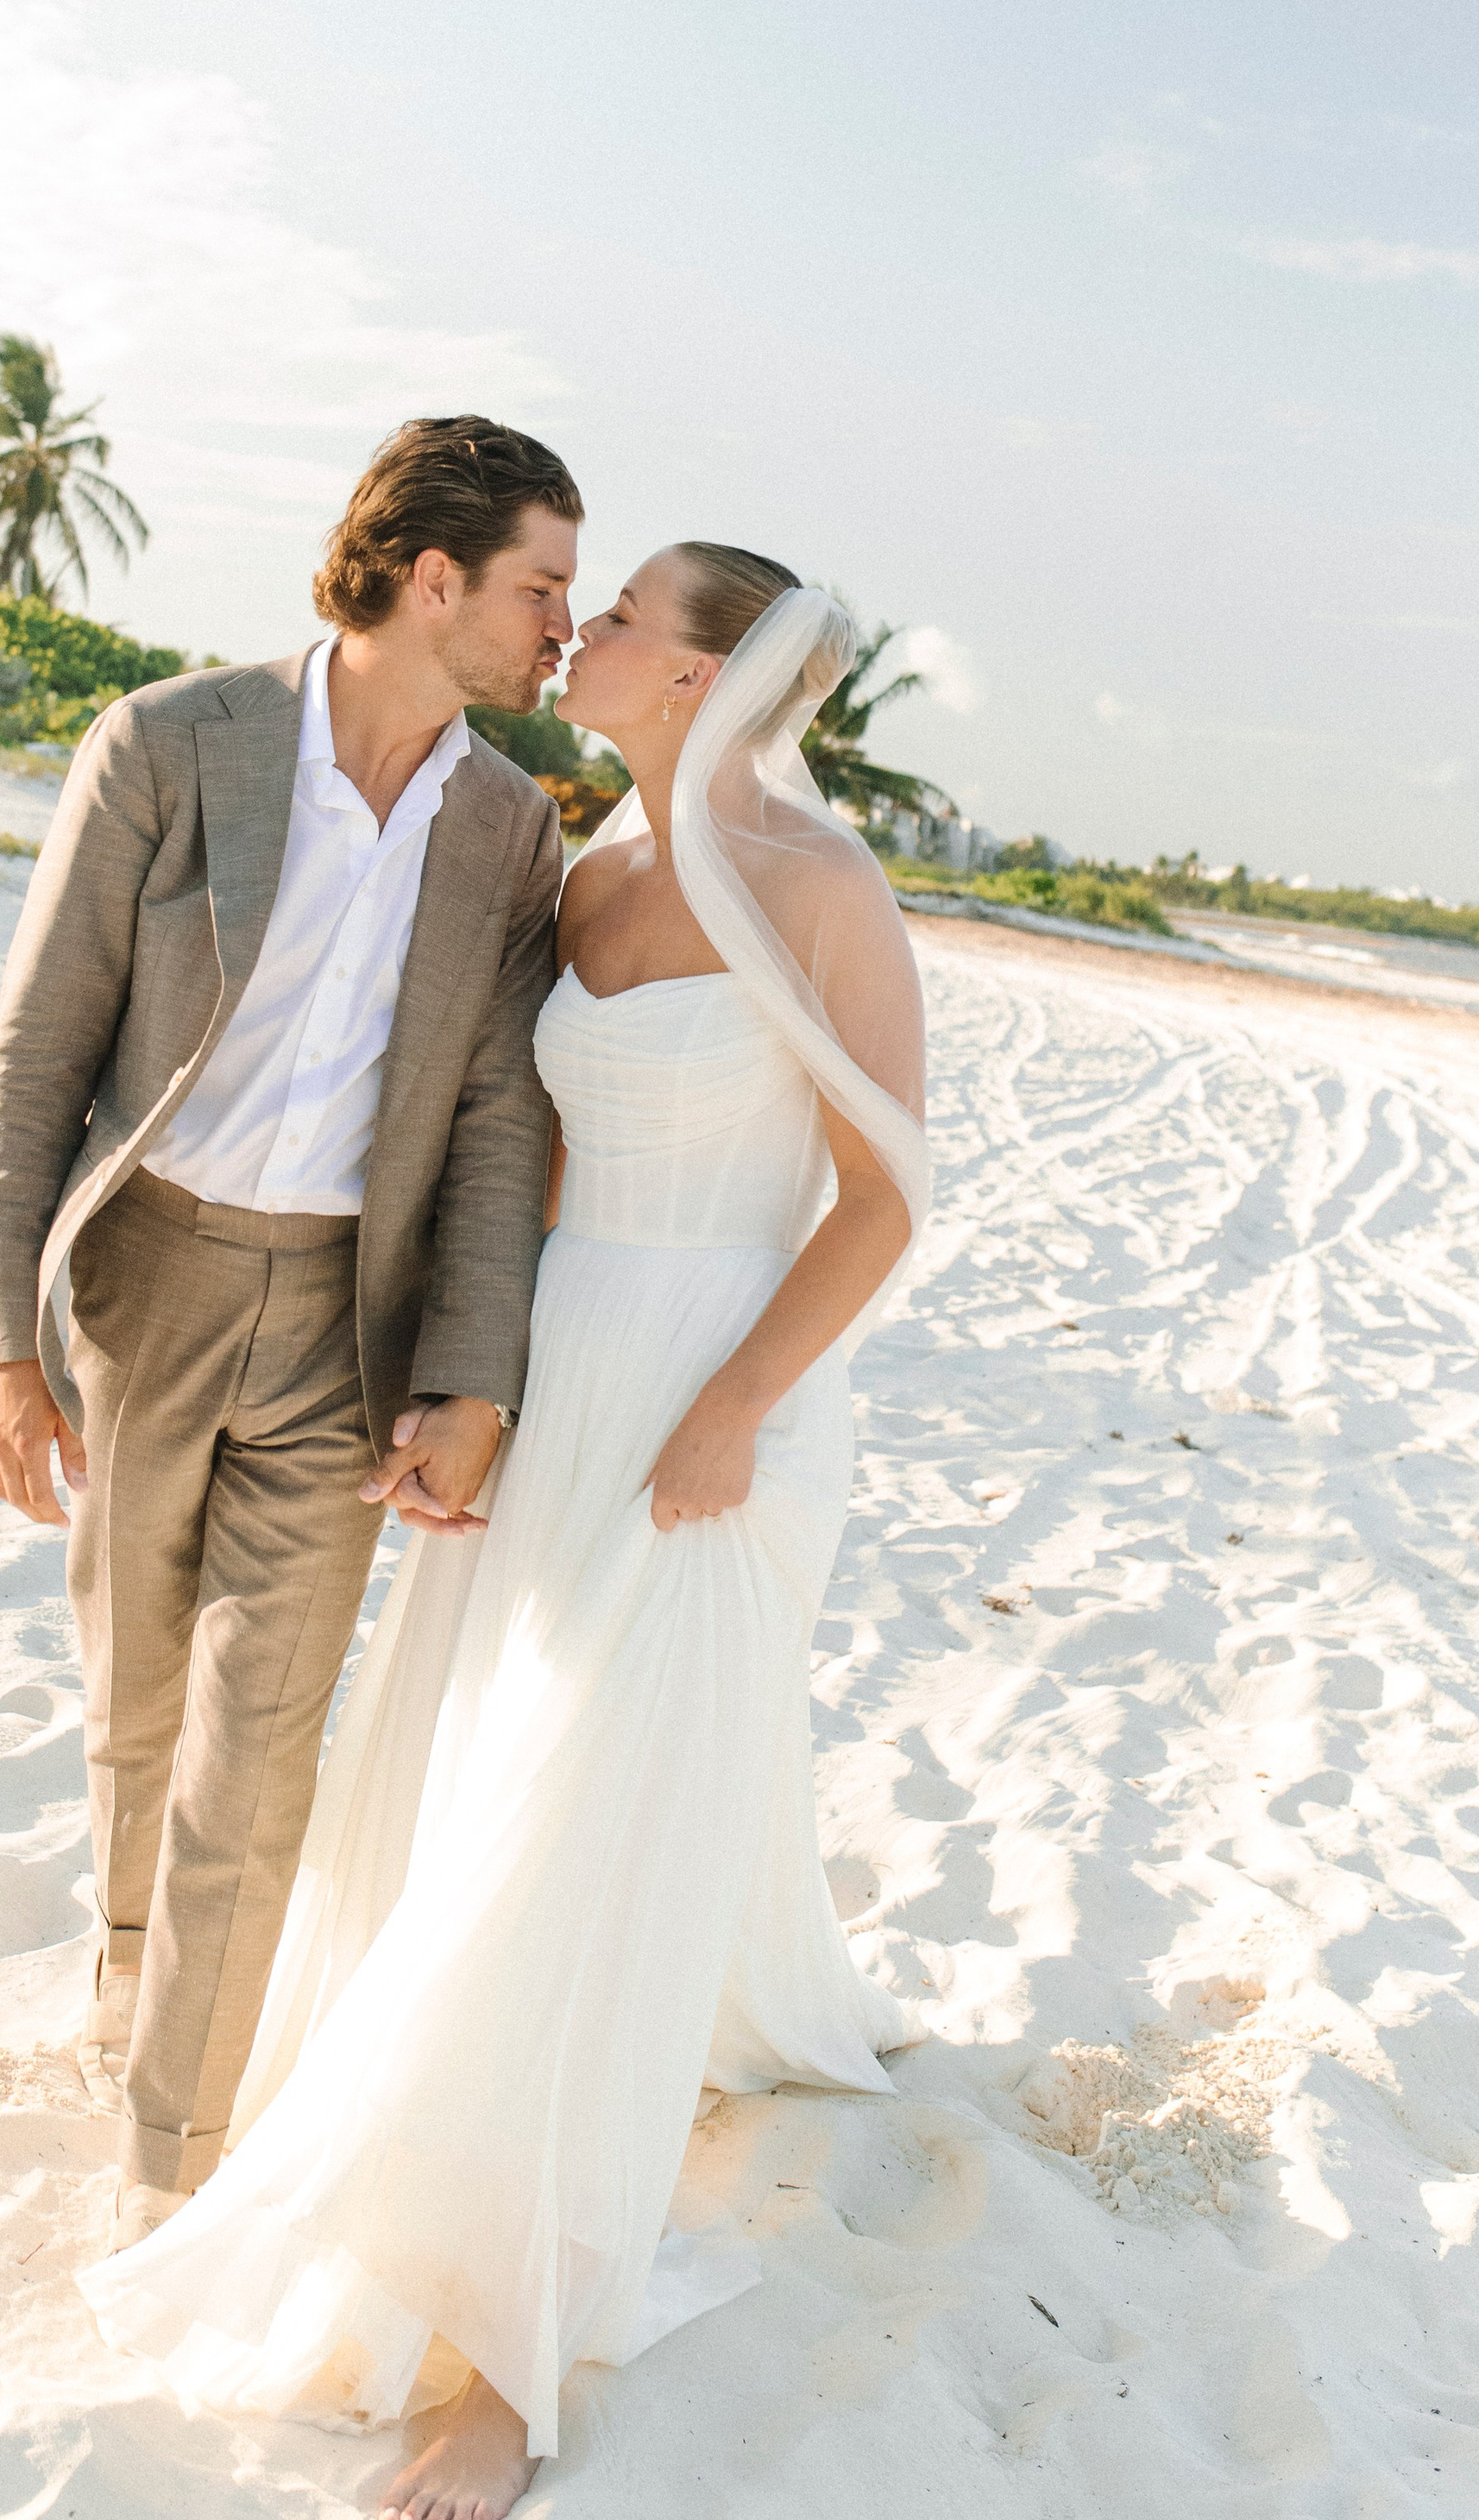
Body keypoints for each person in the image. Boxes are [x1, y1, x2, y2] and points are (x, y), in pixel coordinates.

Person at [79, 545, 933, 2520]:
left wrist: (731, 1408)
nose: (587, 634)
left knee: (582, 1819)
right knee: (484, 1780)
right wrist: (471, 1392)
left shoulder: (816, 887)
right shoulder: (587, 870)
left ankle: (503, 2362)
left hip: (721, 1390)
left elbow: (879, 1201)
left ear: (714, 676)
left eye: (625, 615)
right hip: (558, 1377)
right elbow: (522, 1162)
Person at [0, 415, 582, 2242]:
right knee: (137, 1705)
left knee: (257, 1741)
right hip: (137, 1283)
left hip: (341, 1328)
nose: (563, 623)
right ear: (431, 577)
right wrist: (3, 1338)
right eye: (539, 585)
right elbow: (38, 1051)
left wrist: (470, 1375)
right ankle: (128, 1990)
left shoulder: (508, 826)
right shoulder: (167, 743)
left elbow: (489, 1121)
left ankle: (171, 2156)